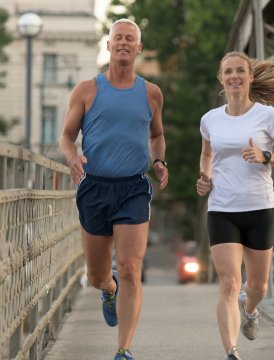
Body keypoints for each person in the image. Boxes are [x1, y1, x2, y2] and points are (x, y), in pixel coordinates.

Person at [59, 19, 168, 360]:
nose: (123, 43)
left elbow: (156, 135)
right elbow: (65, 136)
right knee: (96, 275)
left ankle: (124, 349)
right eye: (117, 37)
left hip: (134, 188)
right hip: (94, 188)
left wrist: (160, 160)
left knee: (131, 266)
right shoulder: (87, 90)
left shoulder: (151, 93)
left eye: (130, 39)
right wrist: (73, 156)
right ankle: (109, 287)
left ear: (138, 49)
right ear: (108, 46)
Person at [196, 52, 274, 360]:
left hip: (260, 209)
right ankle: (231, 352)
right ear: (222, 78)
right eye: (228, 71)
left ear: (250, 77)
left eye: (241, 70)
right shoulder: (210, 119)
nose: (234, 76)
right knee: (229, 281)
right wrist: (205, 177)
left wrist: (265, 156)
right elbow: (207, 155)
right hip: (222, 209)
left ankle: (250, 309)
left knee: (258, 285)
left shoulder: (267, 116)